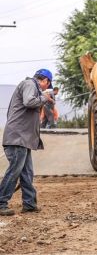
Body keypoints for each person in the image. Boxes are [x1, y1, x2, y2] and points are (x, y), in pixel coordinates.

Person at [0, 69, 54, 216]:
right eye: (47, 85)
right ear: (45, 81)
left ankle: (29, 204)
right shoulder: (30, 84)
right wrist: (44, 97)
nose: (45, 88)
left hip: (23, 139)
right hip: (18, 138)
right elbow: (29, 102)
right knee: (14, 171)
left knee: (27, 173)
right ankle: (1, 202)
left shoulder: (31, 87)